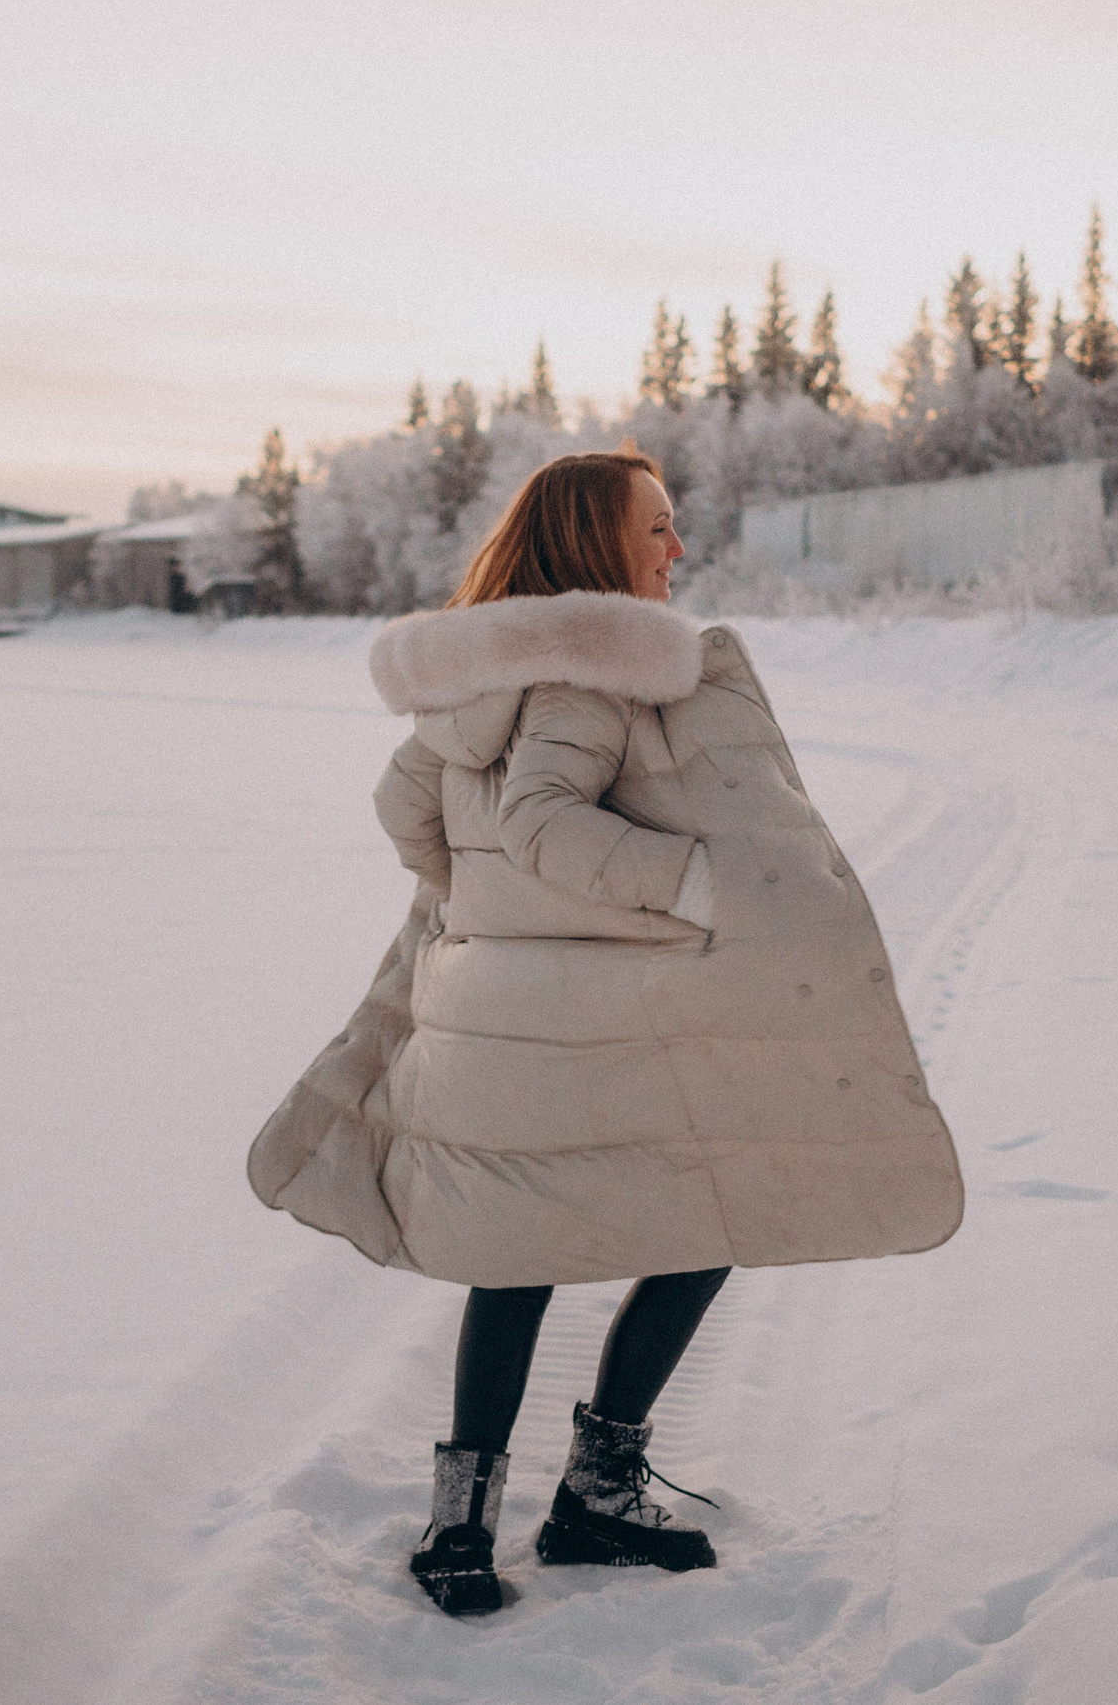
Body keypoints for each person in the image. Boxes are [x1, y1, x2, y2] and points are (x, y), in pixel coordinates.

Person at [247, 448, 964, 1616]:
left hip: (496, 1015)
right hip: (593, 1021)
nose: (676, 549)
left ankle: (462, 1525)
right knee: (709, 1208)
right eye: (657, 529)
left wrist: (482, 914)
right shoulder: (595, 671)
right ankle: (595, 1490)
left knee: (514, 1258)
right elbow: (539, 816)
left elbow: (405, 809)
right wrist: (695, 884)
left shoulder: (472, 681)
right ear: (595, 545)